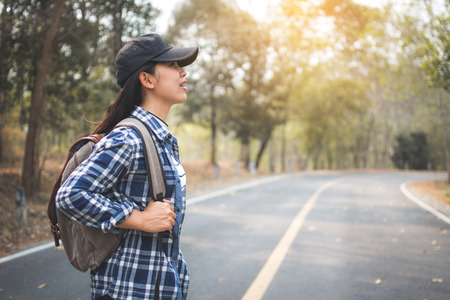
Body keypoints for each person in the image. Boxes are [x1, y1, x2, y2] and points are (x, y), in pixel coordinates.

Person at [56, 33, 199, 300]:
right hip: (128, 289)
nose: (183, 72)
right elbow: (71, 195)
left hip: (155, 286)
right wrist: (140, 219)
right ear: (147, 79)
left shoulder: (161, 139)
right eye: (172, 65)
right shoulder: (129, 138)